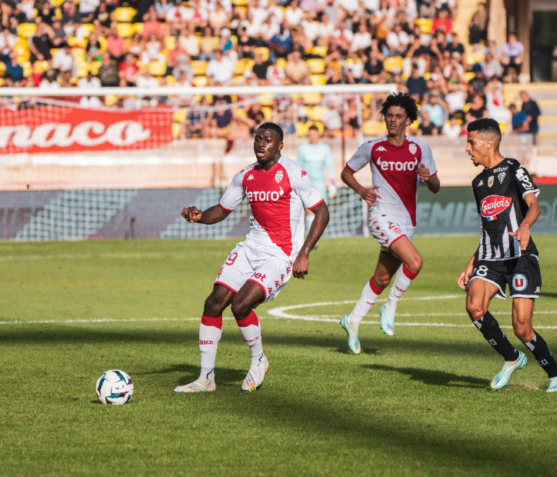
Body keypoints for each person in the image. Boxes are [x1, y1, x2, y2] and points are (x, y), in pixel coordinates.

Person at [174, 123, 329, 393]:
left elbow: (322, 212)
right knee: (213, 304)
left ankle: (259, 360)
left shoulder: (294, 174)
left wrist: (303, 254)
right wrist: (200, 217)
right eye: (258, 139)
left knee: (241, 305)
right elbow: (222, 210)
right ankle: (206, 378)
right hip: (250, 248)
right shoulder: (245, 175)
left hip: (280, 255)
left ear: (280, 145)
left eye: (268, 140)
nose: (261, 144)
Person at [458, 118, 557, 392]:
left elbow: (534, 206)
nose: (467, 148)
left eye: (471, 142)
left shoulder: (514, 168)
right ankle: (511, 357)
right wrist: (471, 263)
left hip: (520, 256)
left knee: (522, 328)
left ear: (488, 142)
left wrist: (524, 226)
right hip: (489, 257)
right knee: (474, 307)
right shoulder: (478, 182)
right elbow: (488, 225)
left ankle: (556, 375)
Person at [339, 93, 440, 354]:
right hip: (381, 216)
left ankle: (352, 320)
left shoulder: (420, 149)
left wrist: (428, 179)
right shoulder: (372, 147)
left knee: (382, 278)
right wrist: (363, 191)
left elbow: (436, 187)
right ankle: (391, 305)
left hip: (406, 222)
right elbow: (346, 173)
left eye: (398, 117)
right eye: (389, 116)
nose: (392, 120)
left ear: (408, 120)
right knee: (415, 262)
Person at [297, 124, 336, 236]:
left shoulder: (324, 149)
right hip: (307, 183)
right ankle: (311, 235)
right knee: (309, 209)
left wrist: (332, 183)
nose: (312, 137)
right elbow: (299, 167)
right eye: (310, 135)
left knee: (321, 210)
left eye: (314, 134)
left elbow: (329, 166)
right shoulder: (303, 149)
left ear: (318, 134)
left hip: (320, 183)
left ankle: (317, 234)